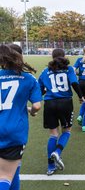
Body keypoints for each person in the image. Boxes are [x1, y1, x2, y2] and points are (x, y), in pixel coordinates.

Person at [0, 45, 42, 190]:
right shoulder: (28, 78)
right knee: (5, 176)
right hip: (13, 131)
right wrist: (32, 112)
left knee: (13, 169)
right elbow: (37, 105)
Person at [38, 48, 84, 175]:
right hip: (65, 103)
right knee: (67, 131)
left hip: (49, 104)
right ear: (63, 56)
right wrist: (81, 97)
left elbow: (40, 90)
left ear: (52, 57)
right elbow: (74, 83)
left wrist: (36, 102)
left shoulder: (45, 71)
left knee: (53, 134)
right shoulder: (69, 69)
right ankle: (57, 152)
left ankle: (50, 167)